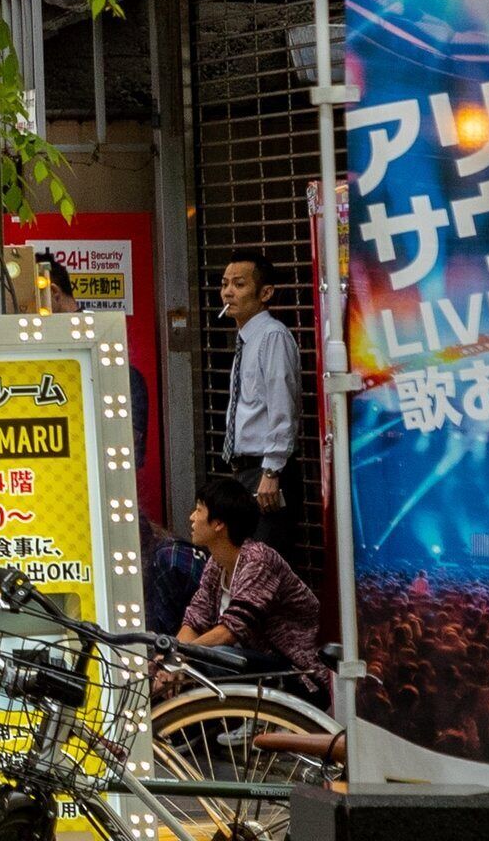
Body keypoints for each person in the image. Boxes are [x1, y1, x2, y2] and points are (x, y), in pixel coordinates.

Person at [177, 473, 329, 706]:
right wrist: (170, 659)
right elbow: (196, 617)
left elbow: (232, 630)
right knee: (189, 661)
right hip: (260, 667)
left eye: (198, 511)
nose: (191, 518)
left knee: (215, 658)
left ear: (219, 524)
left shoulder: (259, 560)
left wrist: (181, 656)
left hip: (299, 674)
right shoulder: (216, 563)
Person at [219, 251, 299, 535]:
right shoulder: (246, 340)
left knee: (264, 562)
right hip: (245, 471)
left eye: (239, 285)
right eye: (225, 284)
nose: (228, 292)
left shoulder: (272, 336)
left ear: (265, 293)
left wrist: (271, 471)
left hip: (266, 472)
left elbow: (282, 407)